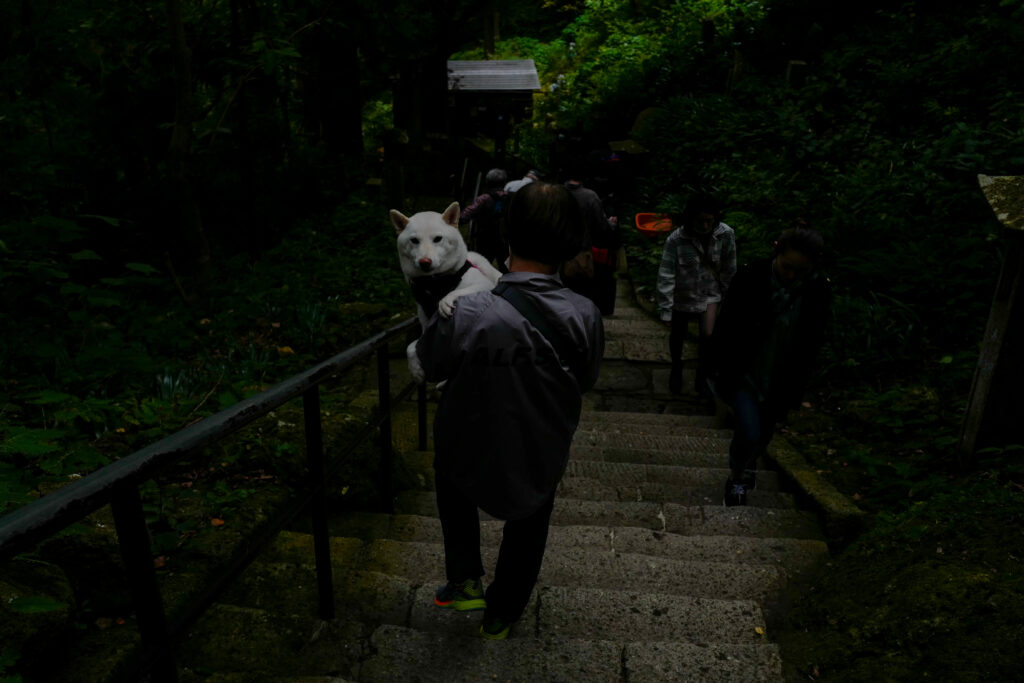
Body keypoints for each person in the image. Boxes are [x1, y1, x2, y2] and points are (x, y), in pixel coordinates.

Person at [416, 181, 605, 639]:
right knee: (531, 518)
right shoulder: (585, 314)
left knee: (450, 470)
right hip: (541, 443)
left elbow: (428, 364)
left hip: (468, 438)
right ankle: (502, 613)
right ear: (569, 244)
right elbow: (585, 378)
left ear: (507, 236)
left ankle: (464, 577)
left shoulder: (469, 308)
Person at [709, 227, 831, 506]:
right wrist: (717, 368)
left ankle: (748, 466)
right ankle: (738, 477)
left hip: (780, 376)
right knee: (748, 429)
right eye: (787, 267)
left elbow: (812, 342)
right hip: (744, 372)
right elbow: (727, 326)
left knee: (764, 432)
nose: (791, 276)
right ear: (777, 253)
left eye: (800, 271)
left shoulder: (817, 290)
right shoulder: (752, 277)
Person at [656, 193, 737, 397]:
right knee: (678, 335)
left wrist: (730, 300)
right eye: (700, 220)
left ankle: (702, 376)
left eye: (709, 221)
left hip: (710, 294)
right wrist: (666, 309)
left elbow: (729, 268)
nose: (704, 225)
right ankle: (677, 368)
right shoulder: (676, 239)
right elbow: (666, 274)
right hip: (682, 295)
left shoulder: (725, 234)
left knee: (708, 336)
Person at [460, 168, 509, 270]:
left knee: (481, 268)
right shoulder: (512, 198)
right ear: (504, 182)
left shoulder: (483, 199)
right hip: (506, 240)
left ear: (487, 182)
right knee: (506, 269)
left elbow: (465, 216)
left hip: (486, 239)